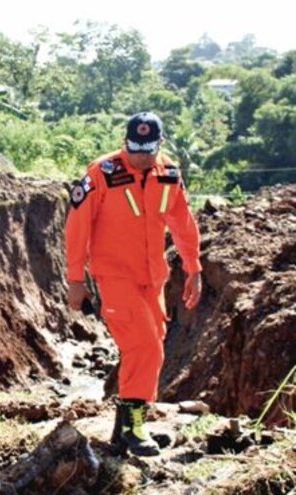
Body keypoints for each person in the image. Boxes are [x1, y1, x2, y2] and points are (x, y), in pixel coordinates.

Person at [64, 112, 202, 456]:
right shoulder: (102, 172)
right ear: (125, 142)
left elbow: (182, 224)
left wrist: (193, 268)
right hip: (114, 277)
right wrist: (75, 279)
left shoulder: (168, 174)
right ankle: (133, 428)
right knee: (144, 346)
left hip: (152, 278)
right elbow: (77, 226)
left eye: (148, 149)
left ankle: (122, 429)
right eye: (135, 148)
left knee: (151, 346)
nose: (141, 156)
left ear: (160, 144)